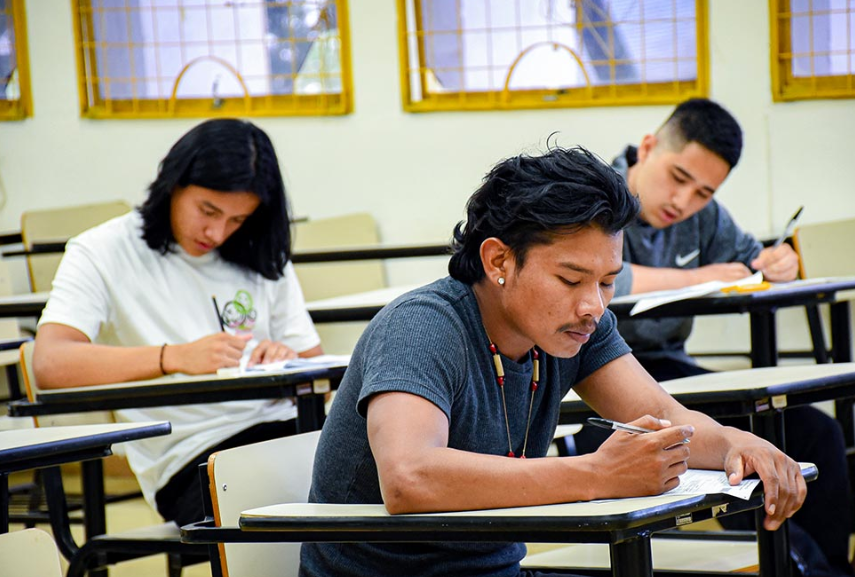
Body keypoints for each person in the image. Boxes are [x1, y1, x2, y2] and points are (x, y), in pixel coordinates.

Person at [300, 145, 805, 577]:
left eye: (608, 282)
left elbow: (667, 419)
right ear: (499, 260)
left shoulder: (574, 328)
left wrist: (740, 443)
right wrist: (597, 476)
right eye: (571, 280)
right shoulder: (422, 326)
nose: (594, 305)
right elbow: (409, 478)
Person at [570, 98, 852, 576]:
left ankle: (831, 568)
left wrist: (775, 262)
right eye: (678, 178)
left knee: (816, 432)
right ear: (648, 147)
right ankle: (798, 564)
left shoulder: (704, 216)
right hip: (600, 376)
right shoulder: (597, 196)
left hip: (673, 372)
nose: (684, 202)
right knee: (730, 463)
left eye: (703, 192)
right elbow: (606, 277)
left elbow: (748, 259)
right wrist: (700, 276)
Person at [33, 119, 322, 527]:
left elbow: (317, 371)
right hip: (193, 461)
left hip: (286, 431)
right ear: (172, 183)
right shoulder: (103, 250)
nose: (217, 232)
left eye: (237, 220)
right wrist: (173, 358)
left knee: (383, 455)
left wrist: (283, 358)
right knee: (346, 486)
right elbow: (50, 363)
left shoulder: (257, 249)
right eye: (208, 210)